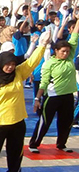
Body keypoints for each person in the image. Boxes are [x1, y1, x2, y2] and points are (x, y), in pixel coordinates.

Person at [0, 30, 51, 172]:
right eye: (7, 64)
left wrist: (42, 45)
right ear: (1, 63)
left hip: (18, 120)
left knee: (16, 151)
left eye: (12, 64)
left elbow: (32, 62)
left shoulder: (18, 73)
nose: (10, 67)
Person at [29, 14, 79, 153]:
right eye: (63, 51)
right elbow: (43, 83)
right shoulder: (49, 64)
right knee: (45, 122)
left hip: (68, 95)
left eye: (68, 51)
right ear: (56, 51)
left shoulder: (69, 59)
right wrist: (37, 99)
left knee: (66, 122)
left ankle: (61, 144)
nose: (66, 53)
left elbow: (74, 37)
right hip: (52, 96)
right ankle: (34, 144)